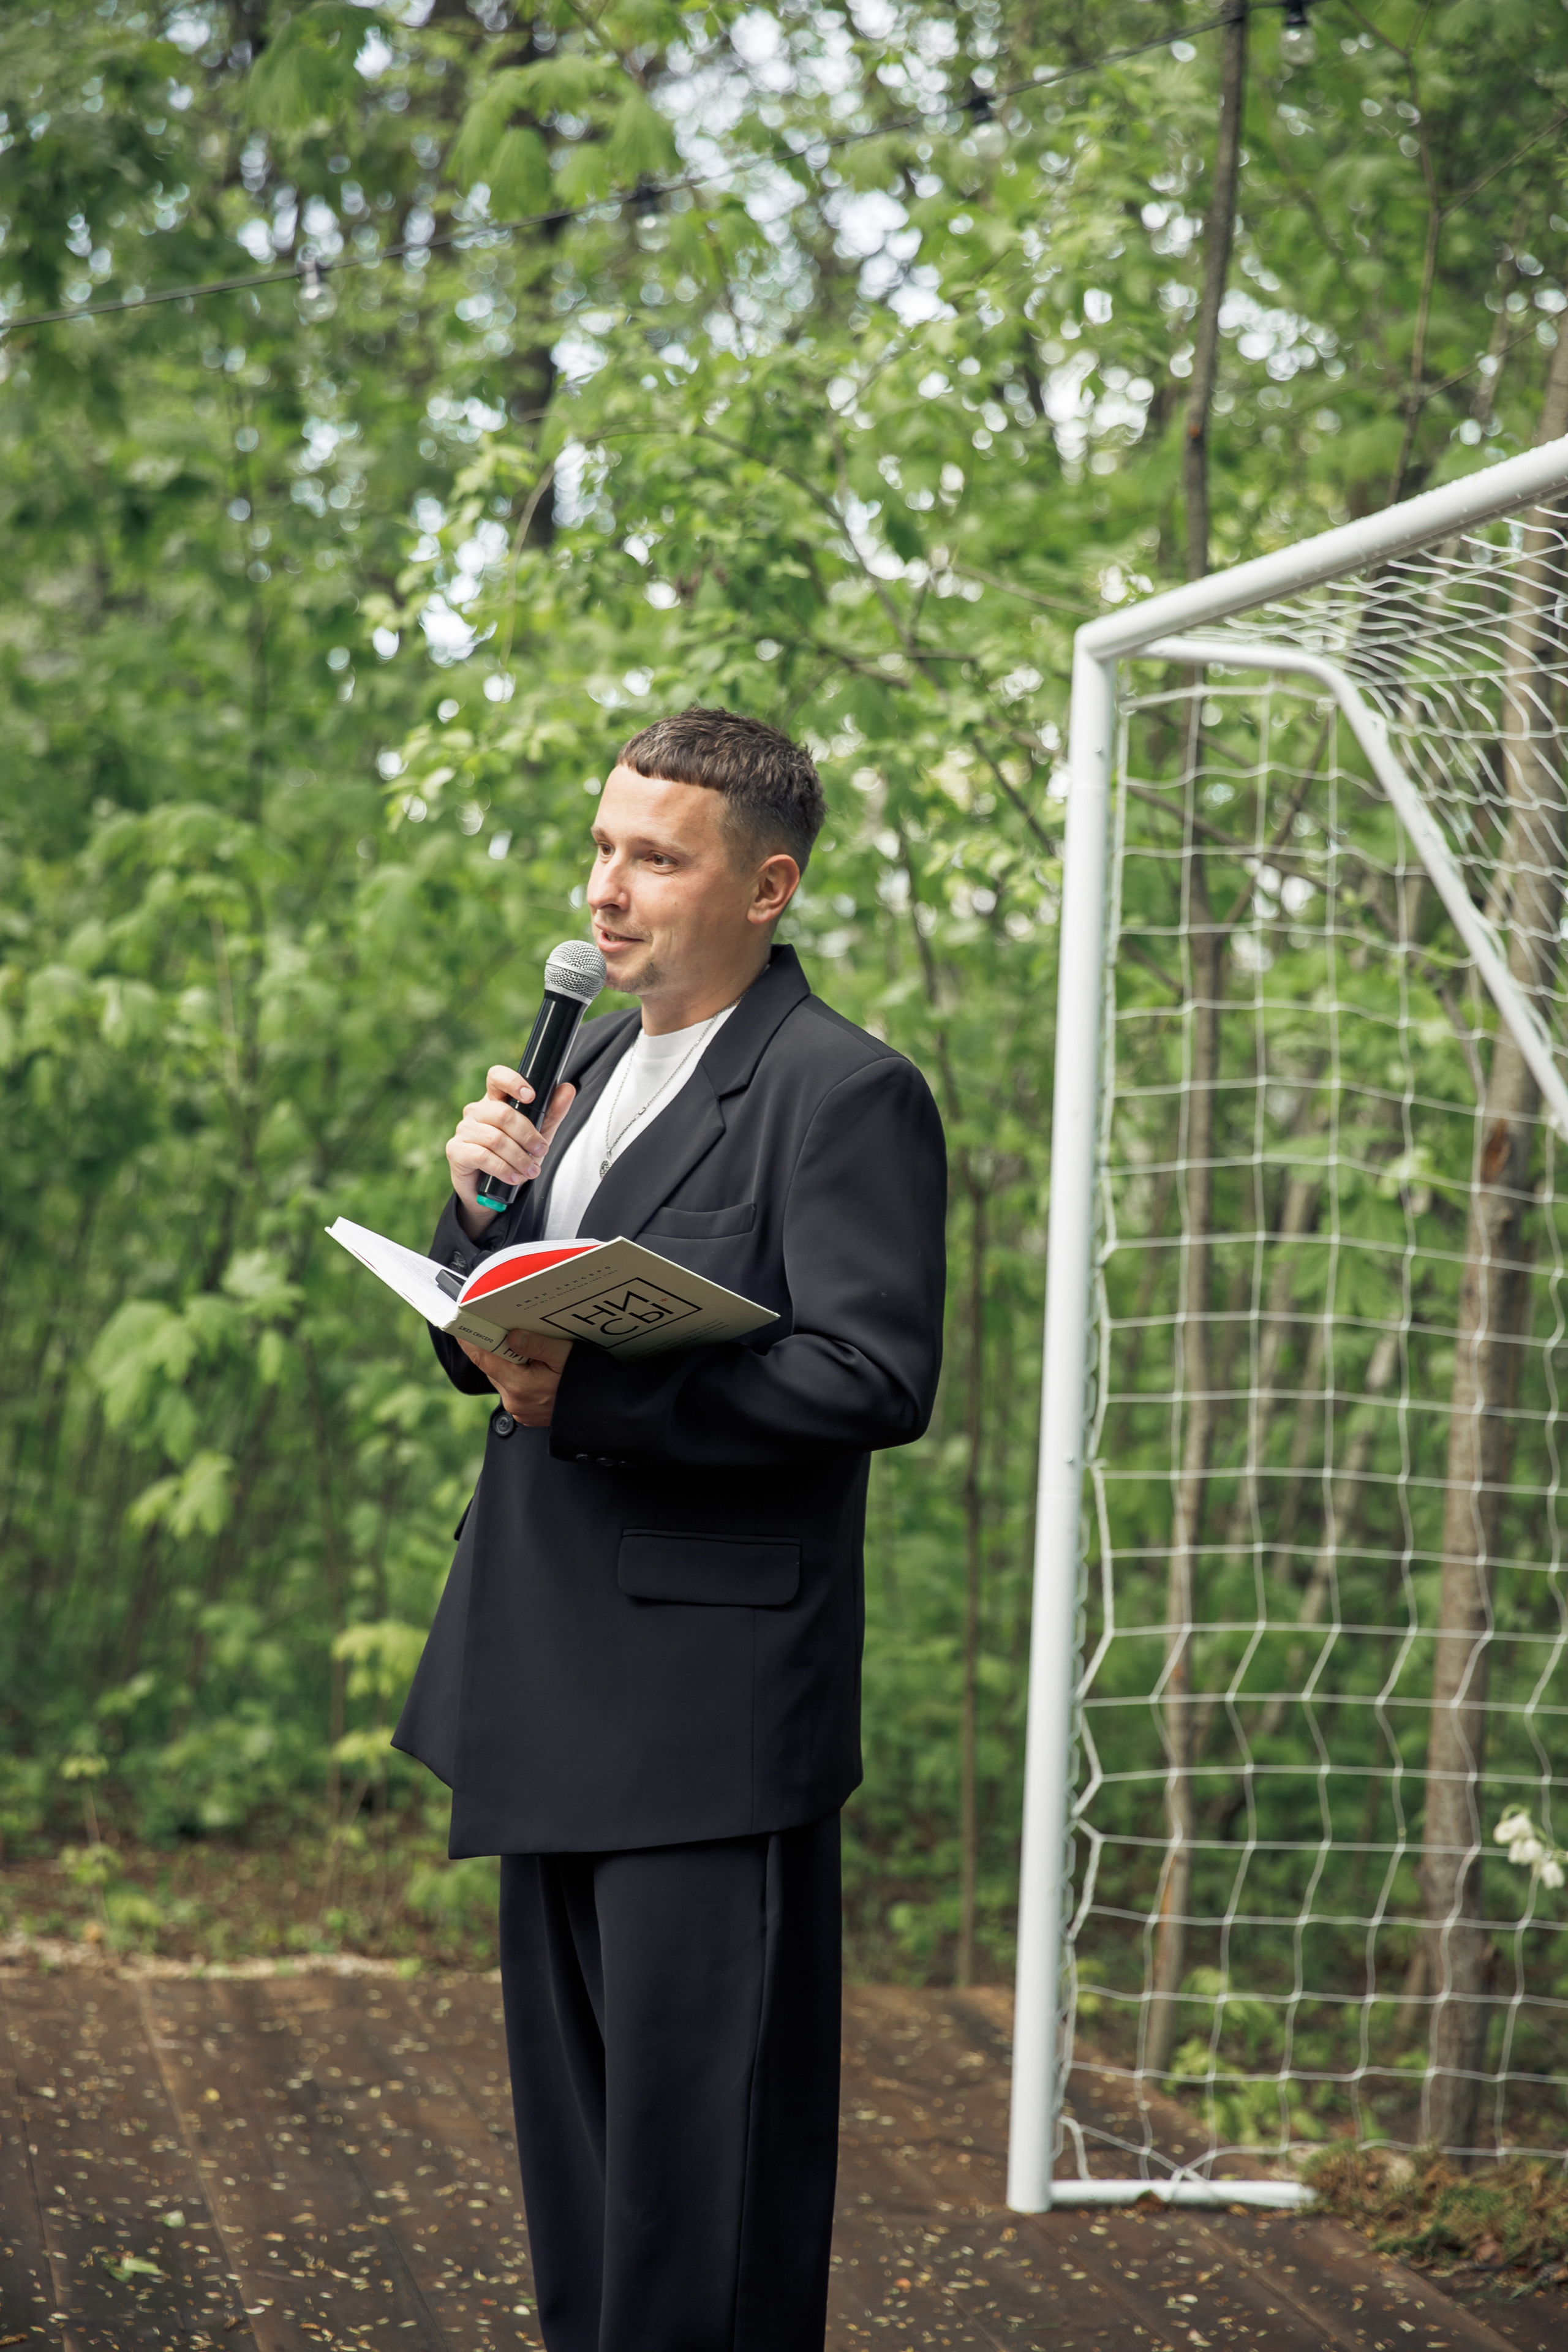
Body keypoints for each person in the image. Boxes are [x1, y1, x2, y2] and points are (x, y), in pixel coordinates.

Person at [394, 706, 947, 2352]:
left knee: (702, 2197)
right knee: (585, 2185)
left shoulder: (844, 1092)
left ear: (767, 887)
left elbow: (873, 1374)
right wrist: (475, 1208)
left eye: (655, 856)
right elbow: (483, 1342)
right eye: (603, 847)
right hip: (542, 1672)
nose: (607, 890)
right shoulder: (576, 1068)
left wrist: (604, 1399)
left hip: (708, 1712)